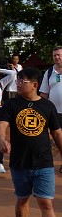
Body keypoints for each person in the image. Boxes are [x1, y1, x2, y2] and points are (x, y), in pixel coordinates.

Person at [0, 67, 62, 217]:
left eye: (21, 81)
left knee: (46, 203)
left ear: (34, 84)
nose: (17, 84)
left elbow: (57, 133)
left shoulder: (47, 106)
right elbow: (1, 125)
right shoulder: (11, 104)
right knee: (23, 200)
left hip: (44, 162)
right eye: (17, 80)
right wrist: (2, 140)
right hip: (20, 162)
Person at [40, 45, 62, 174]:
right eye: (54, 55)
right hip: (54, 114)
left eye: (59, 55)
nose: (56, 57)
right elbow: (44, 95)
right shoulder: (49, 73)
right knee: (57, 140)